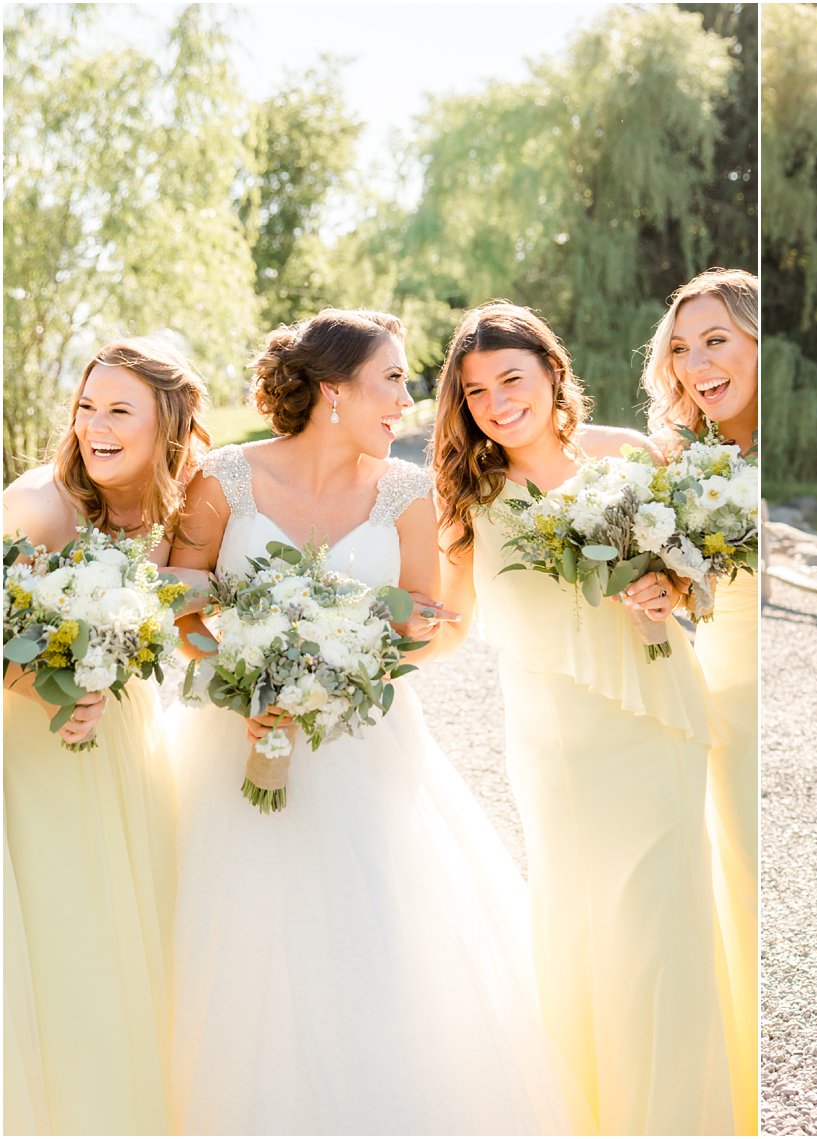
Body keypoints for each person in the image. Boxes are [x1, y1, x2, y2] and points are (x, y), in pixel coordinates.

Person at [166, 308, 571, 1134]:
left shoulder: (408, 492)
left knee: (371, 944)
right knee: (235, 947)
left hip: (363, 746)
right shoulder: (225, 477)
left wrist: (345, 673)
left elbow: (438, 625)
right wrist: (251, 670)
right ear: (332, 391)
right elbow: (179, 599)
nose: (409, 401)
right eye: (392, 379)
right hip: (233, 740)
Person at [430, 300, 733, 1135]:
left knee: (659, 929)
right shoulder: (468, 496)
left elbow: (698, 583)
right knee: (576, 928)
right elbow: (450, 620)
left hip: (657, 716)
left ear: (553, 374)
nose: (496, 401)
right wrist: (348, 663)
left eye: (511, 379)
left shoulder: (631, 458)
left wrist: (669, 590)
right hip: (554, 742)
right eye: (477, 390)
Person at [3, 338, 211, 1134]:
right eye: (87, 407)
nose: (95, 426)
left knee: (137, 947)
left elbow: (188, 621)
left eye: (119, 409)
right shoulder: (37, 504)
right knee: (65, 950)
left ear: (169, 423)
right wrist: (39, 683)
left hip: (127, 741)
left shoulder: (177, 505)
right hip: (32, 750)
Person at [641, 267, 759, 1133]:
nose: (694, 364)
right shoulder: (685, 459)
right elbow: (694, 585)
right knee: (732, 883)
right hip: (712, 696)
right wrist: (660, 587)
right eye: (680, 348)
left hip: (769, 697)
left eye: (715, 339)